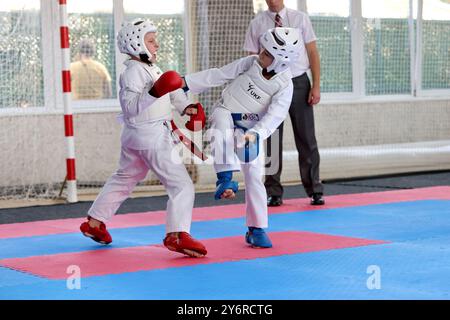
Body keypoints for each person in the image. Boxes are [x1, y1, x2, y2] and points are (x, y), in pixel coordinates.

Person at [79, 19, 207, 258]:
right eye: (151, 40)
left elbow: (171, 89)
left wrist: (188, 107)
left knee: (125, 178)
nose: (156, 44)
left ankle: (95, 222)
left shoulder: (150, 68)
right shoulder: (132, 72)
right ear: (136, 42)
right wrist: (155, 91)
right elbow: (130, 107)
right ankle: (177, 234)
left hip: (136, 138)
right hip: (151, 137)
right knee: (181, 185)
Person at [183, 27, 300, 248]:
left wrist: (255, 134)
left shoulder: (285, 85)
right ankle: (225, 179)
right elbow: (220, 74)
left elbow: (276, 115)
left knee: (255, 176)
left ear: (280, 62)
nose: (260, 54)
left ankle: (257, 228)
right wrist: (187, 82)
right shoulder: (250, 63)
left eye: (266, 54)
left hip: (251, 130)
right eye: (263, 49)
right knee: (221, 126)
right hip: (226, 110)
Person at [244, 0, 325, 206]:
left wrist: (315, 86)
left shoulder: (300, 19)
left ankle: (315, 188)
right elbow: (251, 59)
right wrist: (256, 91)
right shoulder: (257, 23)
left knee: (306, 136)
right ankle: (273, 192)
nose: (272, 0)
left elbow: (313, 52)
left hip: (298, 81)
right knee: (271, 138)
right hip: (270, 83)